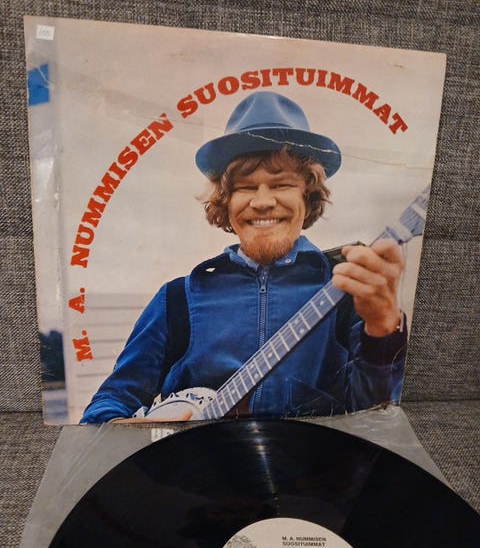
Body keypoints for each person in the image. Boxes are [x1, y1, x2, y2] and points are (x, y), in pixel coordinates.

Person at [80, 91, 407, 424]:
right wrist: (124, 428)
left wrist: (382, 329)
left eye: (281, 185)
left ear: (307, 198)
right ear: (225, 201)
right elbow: (108, 405)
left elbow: (379, 418)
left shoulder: (350, 293)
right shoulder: (177, 299)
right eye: (245, 187)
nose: (262, 202)